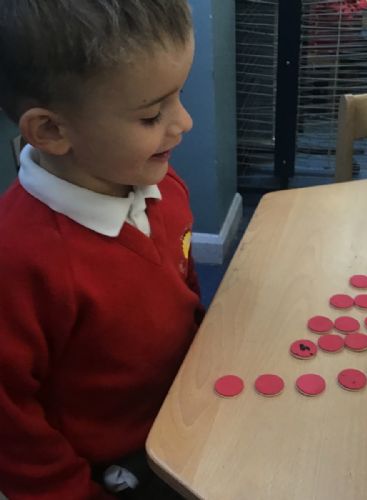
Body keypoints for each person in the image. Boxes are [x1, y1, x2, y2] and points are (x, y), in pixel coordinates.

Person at [0, 1, 204, 498]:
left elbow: (180, 286)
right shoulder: (18, 260)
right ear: (51, 131)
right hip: (116, 467)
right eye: (152, 114)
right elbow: (11, 423)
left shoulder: (162, 184)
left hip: (187, 408)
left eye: (179, 96)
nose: (184, 122)